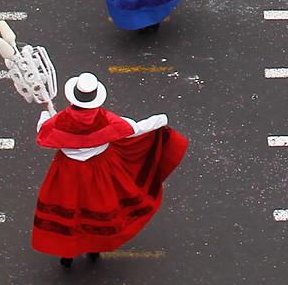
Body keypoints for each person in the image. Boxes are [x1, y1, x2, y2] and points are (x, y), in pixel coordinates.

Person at [31, 73, 187, 267]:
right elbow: (135, 128)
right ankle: (94, 249)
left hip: (68, 171)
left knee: (70, 207)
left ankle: (67, 254)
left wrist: (46, 113)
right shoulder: (107, 120)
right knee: (97, 205)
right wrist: (160, 120)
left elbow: (42, 130)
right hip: (101, 169)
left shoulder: (58, 122)